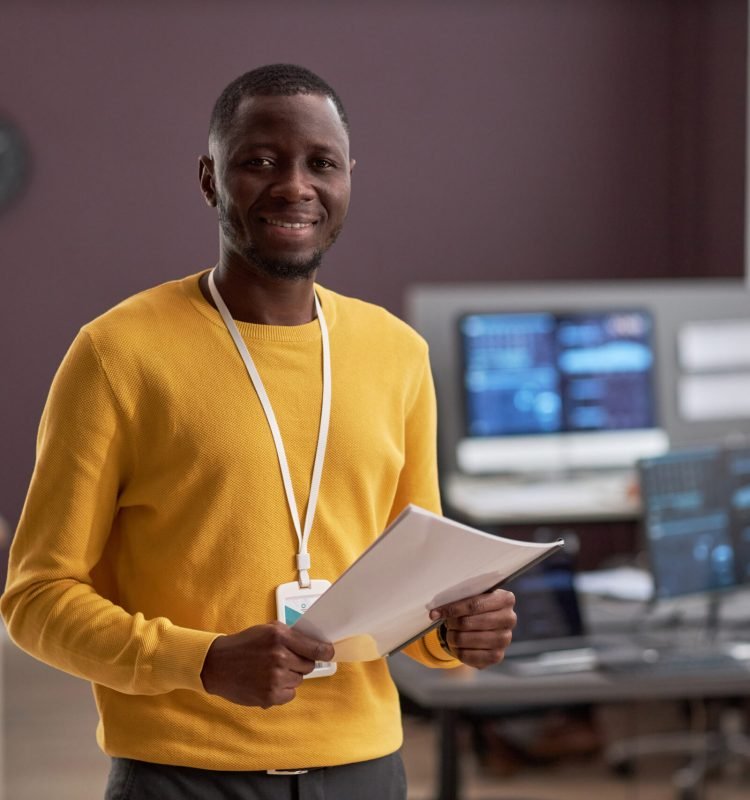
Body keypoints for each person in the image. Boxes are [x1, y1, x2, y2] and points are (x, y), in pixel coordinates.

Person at [2, 64, 517, 799]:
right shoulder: (117, 354)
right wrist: (202, 660)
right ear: (211, 178)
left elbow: (418, 587)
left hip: (365, 771)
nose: (294, 186)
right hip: (182, 776)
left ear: (348, 180)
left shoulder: (397, 352)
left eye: (321, 163)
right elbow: (37, 599)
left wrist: (458, 629)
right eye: (260, 161)